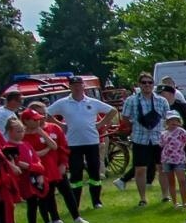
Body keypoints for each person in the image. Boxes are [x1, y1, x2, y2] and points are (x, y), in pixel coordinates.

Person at [46, 77, 114, 209]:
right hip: (73, 143)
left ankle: (96, 200)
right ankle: (75, 202)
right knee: (76, 173)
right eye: (74, 85)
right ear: (70, 87)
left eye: (79, 85)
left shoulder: (92, 102)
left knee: (94, 171)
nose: (77, 88)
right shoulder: (63, 103)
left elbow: (112, 111)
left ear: (84, 86)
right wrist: (60, 125)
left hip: (91, 141)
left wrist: (100, 124)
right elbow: (47, 113)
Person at [118, 72, 169, 206]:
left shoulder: (161, 100)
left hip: (158, 138)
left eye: (149, 82)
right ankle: (143, 198)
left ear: (153, 85)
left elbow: (167, 118)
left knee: (162, 168)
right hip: (140, 139)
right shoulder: (131, 100)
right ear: (139, 85)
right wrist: (133, 127)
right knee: (140, 169)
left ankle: (165, 195)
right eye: (144, 83)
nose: (147, 85)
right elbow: (125, 118)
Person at [157, 110, 186, 208]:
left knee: (182, 180)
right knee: (171, 182)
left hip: (179, 159)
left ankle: (185, 202)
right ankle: (175, 202)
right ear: (167, 122)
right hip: (167, 160)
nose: (173, 122)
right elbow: (161, 145)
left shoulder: (181, 132)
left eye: (175, 120)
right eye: (171, 120)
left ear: (179, 121)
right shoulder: (163, 133)